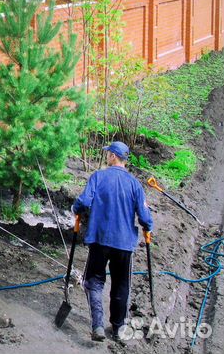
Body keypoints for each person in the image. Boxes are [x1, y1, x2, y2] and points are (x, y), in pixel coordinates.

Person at [72, 141, 153, 342]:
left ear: (114, 157)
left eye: (108, 153)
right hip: (124, 244)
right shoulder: (135, 184)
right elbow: (144, 216)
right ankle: (118, 329)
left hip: (100, 240)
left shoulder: (98, 177)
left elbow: (83, 202)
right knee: (121, 284)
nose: (107, 156)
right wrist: (148, 226)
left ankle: (98, 326)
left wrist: (76, 209)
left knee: (94, 281)